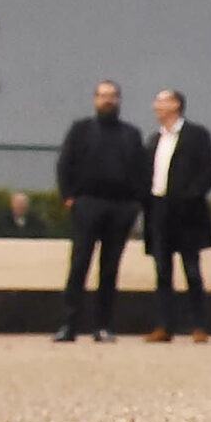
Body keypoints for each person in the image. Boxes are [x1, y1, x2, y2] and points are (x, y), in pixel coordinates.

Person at [54, 80, 143, 342]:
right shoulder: (81, 130)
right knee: (79, 264)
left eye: (112, 96)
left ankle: (103, 326)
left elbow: (140, 170)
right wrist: (69, 197)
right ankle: (69, 326)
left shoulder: (131, 133)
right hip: (87, 204)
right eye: (103, 96)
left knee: (110, 269)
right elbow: (64, 163)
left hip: (121, 208)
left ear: (119, 100)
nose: (108, 100)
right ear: (95, 99)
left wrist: (136, 203)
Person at [142, 89, 211, 341]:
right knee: (162, 271)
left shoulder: (197, 136)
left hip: (187, 212)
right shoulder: (154, 140)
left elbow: (210, 171)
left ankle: (199, 325)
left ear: (175, 105)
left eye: (161, 101)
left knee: (192, 270)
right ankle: (164, 326)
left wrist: (191, 195)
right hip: (159, 210)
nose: (156, 106)